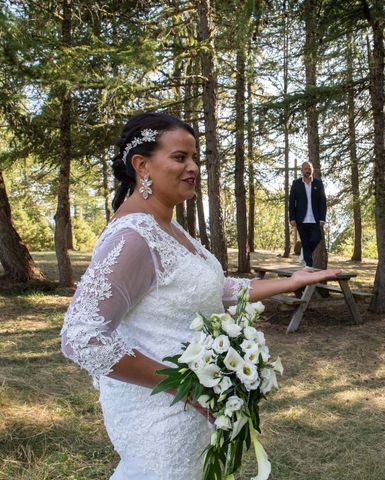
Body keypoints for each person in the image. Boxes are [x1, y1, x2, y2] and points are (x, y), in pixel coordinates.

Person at [60, 112, 340, 480]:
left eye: (195, 158)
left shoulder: (169, 227)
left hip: (196, 411)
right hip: (163, 417)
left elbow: (214, 289)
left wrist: (289, 282)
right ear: (141, 165)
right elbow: (81, 338)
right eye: (180, 158)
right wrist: (184, 385)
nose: (193, 167)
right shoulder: (133, 237)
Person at [288, 161, 327, 267]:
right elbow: (291, 202)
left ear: (312, 170)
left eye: (309, 168)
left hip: (315, 218)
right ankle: (308, 267)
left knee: (317, 238)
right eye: (305, 169)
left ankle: (304, 252)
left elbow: (322, 201)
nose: (307, 171)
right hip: (301, 218)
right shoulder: (296, 184)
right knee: (305, 242)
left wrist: (322, 218)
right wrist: (292, 218)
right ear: (302, 171)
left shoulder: (318, 184)